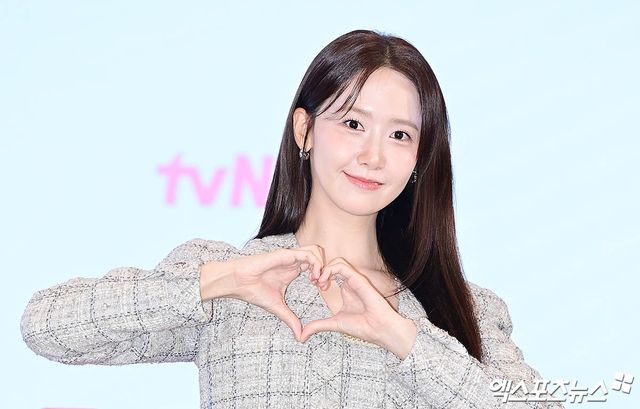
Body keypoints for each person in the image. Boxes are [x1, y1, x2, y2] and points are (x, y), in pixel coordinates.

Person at [20, 29, 564, 408]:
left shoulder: (464, 309)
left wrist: (405, 338)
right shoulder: (227, 276)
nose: (373, 155)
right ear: (304, 130)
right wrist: (218, 281)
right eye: (353, 124)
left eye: (400, 135)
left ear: (420, 158)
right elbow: (47, 328)